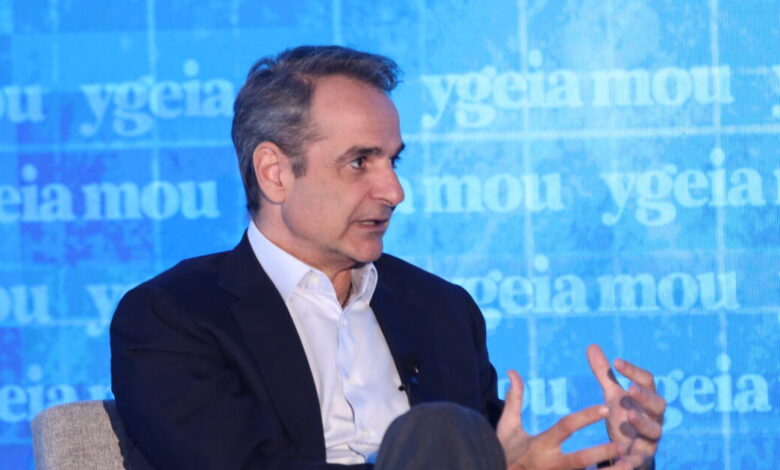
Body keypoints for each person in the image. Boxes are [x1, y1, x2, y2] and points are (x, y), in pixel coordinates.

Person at [110, 45, 665, 470]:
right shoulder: (173, 316)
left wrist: (619, 458)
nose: (394, 191)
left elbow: (497, 453)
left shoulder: (440, 309)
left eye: (393, 162)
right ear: (275, 173)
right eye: (360, 162)